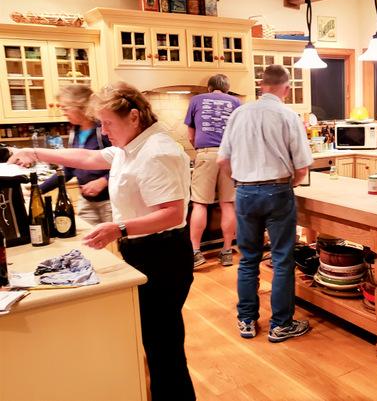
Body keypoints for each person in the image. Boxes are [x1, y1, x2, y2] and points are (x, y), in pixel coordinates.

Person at [9, 82, 195, 401]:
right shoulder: (131, 147)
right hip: (145, 251)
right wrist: (35, 152)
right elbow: (88, 158)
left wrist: (118, 228)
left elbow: (171, 213)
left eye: (108, 123)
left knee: (164, 346)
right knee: (155, 341)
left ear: (134, 117)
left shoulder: (157, 151)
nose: (104, 131)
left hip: (163, 255)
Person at [218, 64, 312, 343]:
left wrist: (240, 182)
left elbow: (222, 160)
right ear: (286, 88)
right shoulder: (287, 115)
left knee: (248, 259)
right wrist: (288, 184)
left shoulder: (238, 113)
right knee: (282, 259)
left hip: (244, 192)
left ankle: (246, 320)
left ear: (261, 86)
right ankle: (281, 325)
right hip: (278, 191)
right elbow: (303, 167)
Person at [185, 73, 240, 268]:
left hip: (206, 154)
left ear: (209, 87)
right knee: (227, 204)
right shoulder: (235, 102)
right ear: (226, 88)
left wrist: (202, 151)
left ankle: (195, 252)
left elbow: (190, 135)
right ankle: (226, 251)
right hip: (229, 157)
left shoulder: (196, 100)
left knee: (200, 204)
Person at [39, 84, 112, 225]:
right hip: (87, 201)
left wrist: (103, 181)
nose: (63, 112)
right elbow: (68, 170)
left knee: (115, 244)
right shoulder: (75, 132)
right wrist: (38, 190)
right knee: (86, 241)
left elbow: (124, 160)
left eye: (65, 108)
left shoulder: (104, 129)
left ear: (81, 106)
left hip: (111, 201)